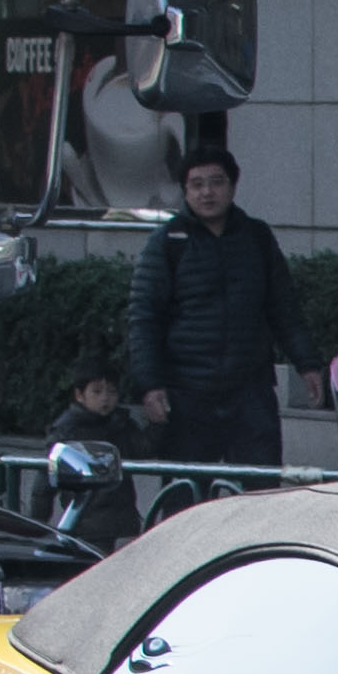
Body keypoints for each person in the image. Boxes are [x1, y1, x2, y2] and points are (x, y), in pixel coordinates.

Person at [126, 149, 309, 469]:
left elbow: (283, 306)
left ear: (233, 187)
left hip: (250, 388)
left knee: (261, 490)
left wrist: (308, 363)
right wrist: (150, 386)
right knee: (187, 498)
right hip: (188, 391)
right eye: (196, 184)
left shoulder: (257, 237)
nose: (207, 192)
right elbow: (144, 319)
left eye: (216, 182)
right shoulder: (167, 242)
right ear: (185, 191)